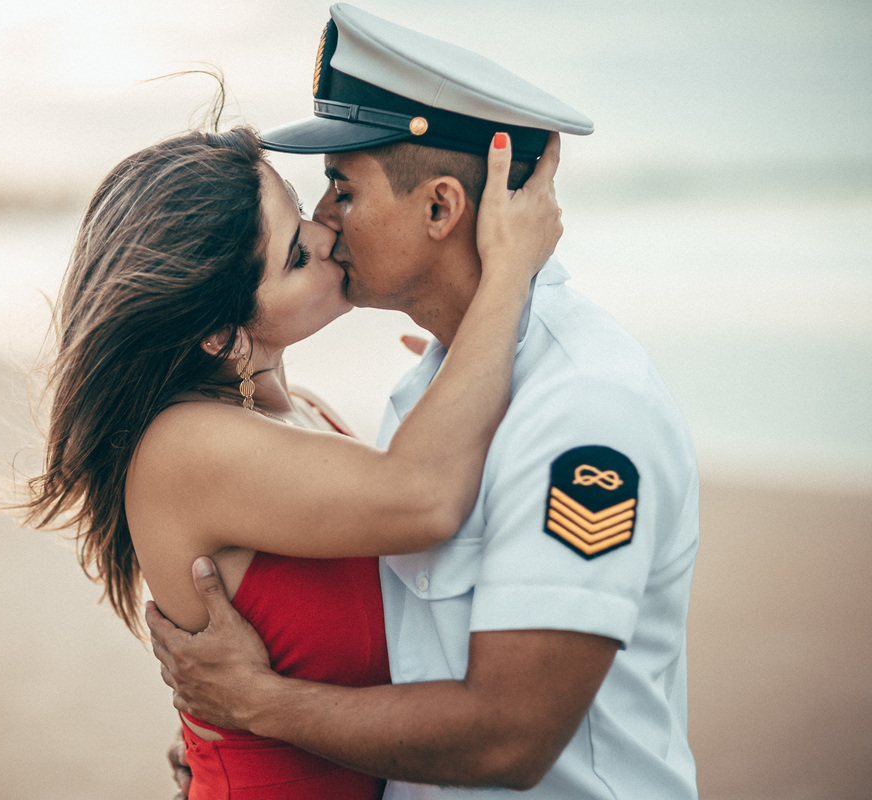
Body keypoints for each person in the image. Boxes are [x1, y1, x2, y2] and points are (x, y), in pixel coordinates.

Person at [147, 4, 700, 799]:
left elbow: (509, 738)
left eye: (342, 189)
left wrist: (259, 707)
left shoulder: (583, 405)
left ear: (440, 209)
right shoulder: (438, 385)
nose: (327, 224)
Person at [11, 85, 563, 797]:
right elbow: (424, 497)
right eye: (296, 255)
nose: (329, 234)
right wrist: (508, 272)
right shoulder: (184, 446)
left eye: (306, 209)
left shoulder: (305, 412)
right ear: (221, 334)